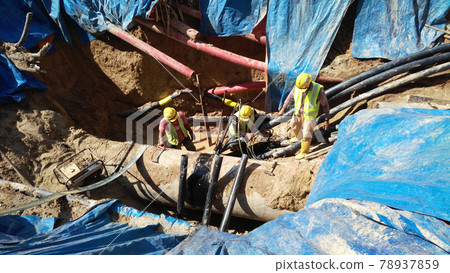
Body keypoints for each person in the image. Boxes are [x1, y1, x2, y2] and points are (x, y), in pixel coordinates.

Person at [277, 73, 330, 159]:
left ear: (309, 84)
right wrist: (283, 109)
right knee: (293, 125)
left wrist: (327, 120)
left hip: (309, 115)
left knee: (307, 134)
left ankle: (304, 152)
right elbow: (290, 97)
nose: (300, 89)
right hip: (298, 112)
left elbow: (325, 105)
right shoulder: (299, 86)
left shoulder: (319, 91)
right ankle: (298, 137)